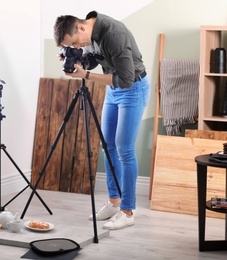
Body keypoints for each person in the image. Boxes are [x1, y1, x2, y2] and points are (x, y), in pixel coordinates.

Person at [53, 11, 150, 230]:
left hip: (132, 88)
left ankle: (128, 211)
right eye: (74, 46)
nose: (80, 45)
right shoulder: (88, 34)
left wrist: (85, 76)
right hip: (113, 90)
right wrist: (77, 59)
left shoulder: (113, 34)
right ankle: (114, 202)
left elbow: (125, 80)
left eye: (77, 42)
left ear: (79, 28)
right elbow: (95, 59)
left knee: (125, 149)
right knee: (108, 147)